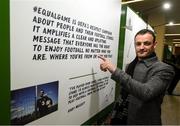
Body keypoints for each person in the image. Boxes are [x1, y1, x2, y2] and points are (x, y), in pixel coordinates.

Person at [99, 29, 175, 125]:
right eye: (138, 44)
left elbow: (146, 92)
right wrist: (113, 114)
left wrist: (114, 70)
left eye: (146, 43)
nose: (141, 47)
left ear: (154, 44)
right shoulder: (130, 65)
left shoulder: (165, 69)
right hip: (122, 119)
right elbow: (123, 95)